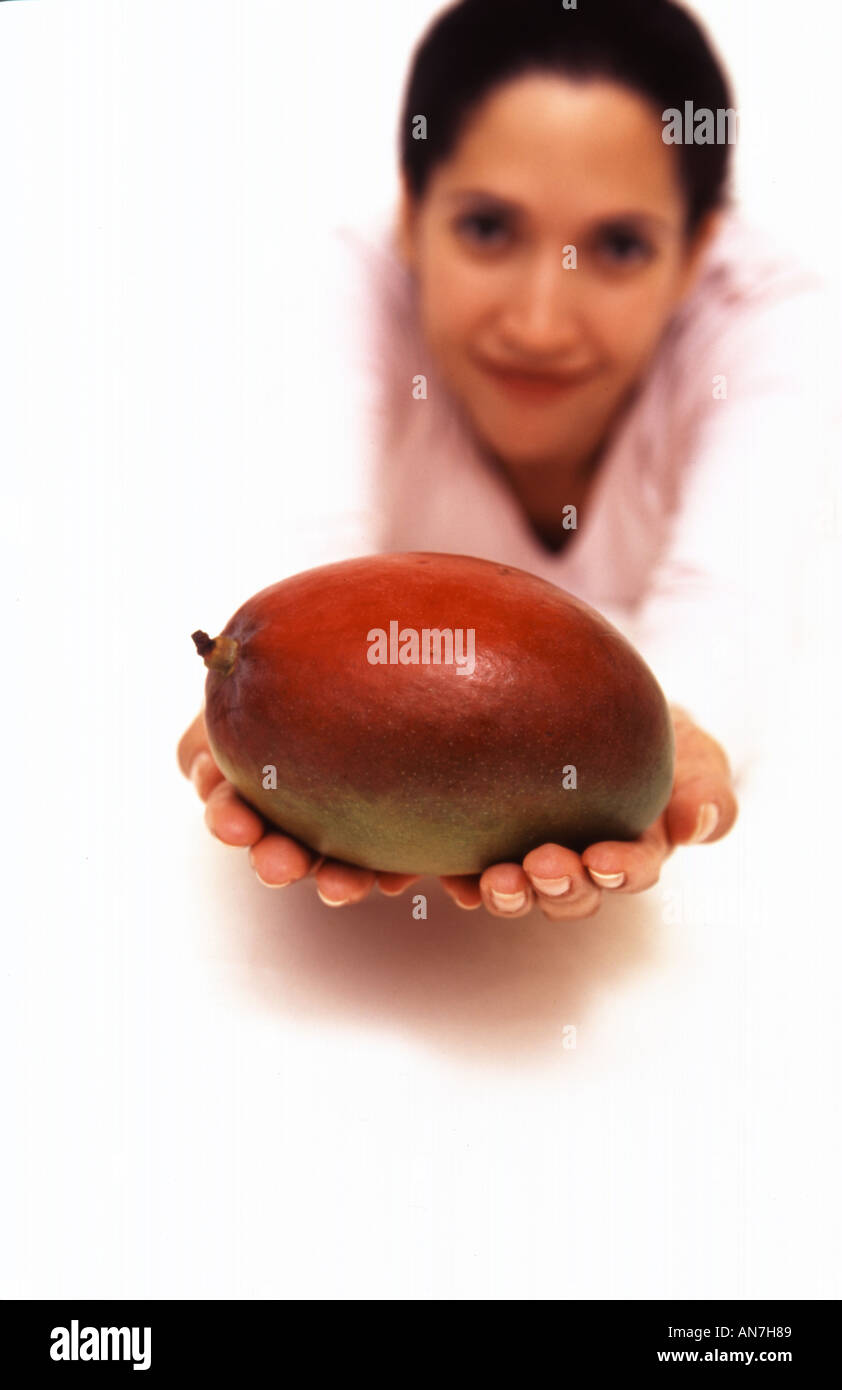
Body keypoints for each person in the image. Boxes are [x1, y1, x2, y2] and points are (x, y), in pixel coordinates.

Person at [178, 0, 835, 919]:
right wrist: (279, 712)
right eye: (487, 229)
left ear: (695, 260)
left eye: (617, 246)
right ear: (409, 219)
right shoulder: (353, 286)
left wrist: (677, 748)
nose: (538, 322)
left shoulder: (769, 326)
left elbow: (731, 595)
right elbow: (308, 548)